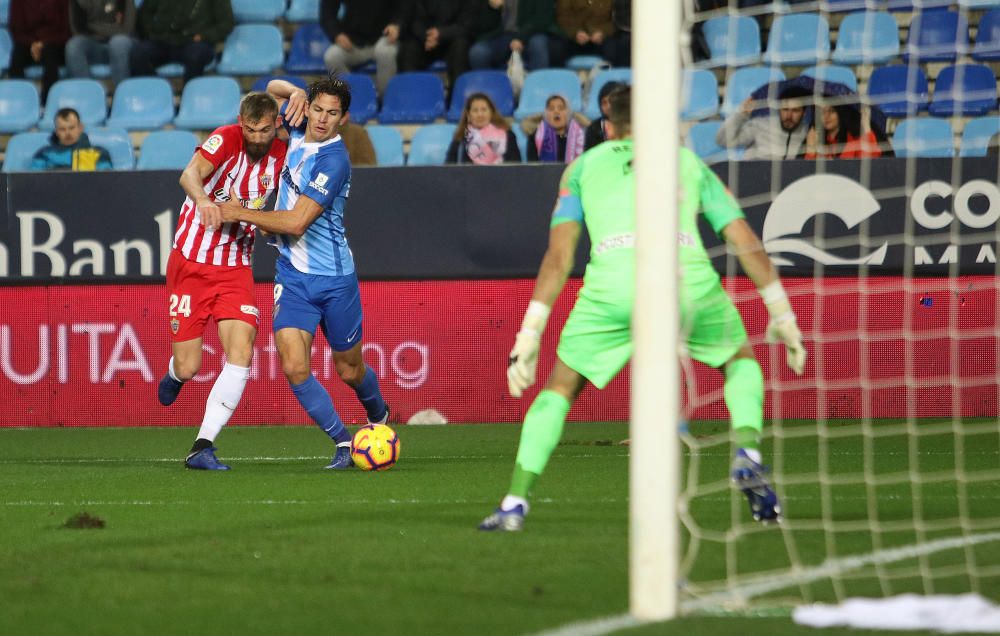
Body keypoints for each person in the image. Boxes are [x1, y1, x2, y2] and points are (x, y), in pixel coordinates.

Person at [478, 86, 806, 532]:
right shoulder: (687, 163)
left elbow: (559, 258)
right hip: (683, 275)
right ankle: (747, 454)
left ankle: (514, 503)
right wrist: (782, 315)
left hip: (615, 283)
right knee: (740, 361)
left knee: (560, 388)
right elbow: (744, 241)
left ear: (608, 126)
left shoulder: (581, 167)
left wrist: (530, 332)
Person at [219, 76, 390, 470]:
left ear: (343, 118)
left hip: (335, 279)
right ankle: (344, 443)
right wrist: (293, 91)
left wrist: (239, 211)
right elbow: (269, 87)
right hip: (293, 276)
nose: (323, 119)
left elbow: (296, 223)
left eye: (333, 113)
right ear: (308, 108)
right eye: (317, 109)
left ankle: (378, 416)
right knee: (294, 366)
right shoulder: (296, 124)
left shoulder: (334, 160)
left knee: (349, 369)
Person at [157, 92, 288, 471]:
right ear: (240, 122)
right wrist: (203, 200)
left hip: (235, 267)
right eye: (250, 129)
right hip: (191, 265)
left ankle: (202, 445)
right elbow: (189, 174)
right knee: (189, 366)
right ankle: (174, 374)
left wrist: (265, 225)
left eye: (264, 130)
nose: (256, 137)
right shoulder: (227, 138)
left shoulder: (283, 154)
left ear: (275, 124)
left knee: (242, 352)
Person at [129, 0, 233, 83]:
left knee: (195, 55)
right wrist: (150, 33)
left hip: (195, 42)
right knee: (138, 54)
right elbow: (144, 15)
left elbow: (226, 24)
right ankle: (159, 93)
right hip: (163, 41)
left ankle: (189, 97)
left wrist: (204, 36)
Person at [321, 0, 406, 95]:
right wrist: (337, 34)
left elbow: (404, 7)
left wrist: (397, 25)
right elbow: (327, 14)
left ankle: (386, 100)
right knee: (332, 57)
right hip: (353, 40)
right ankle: (353, 97)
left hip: (385, 36)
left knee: (386, 52)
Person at [715, 87, 810, 160]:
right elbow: (723, 141)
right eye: (785, 109)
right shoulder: (760, 125)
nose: (789, 116)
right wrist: (741, 114)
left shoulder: (808, 133)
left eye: (795, 111)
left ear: (804, 113)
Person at [398, 0, 474, 89]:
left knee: (460, 47)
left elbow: (467, 25)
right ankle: (411, 96)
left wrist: (441, 34)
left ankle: (457, 97)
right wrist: (428, 37)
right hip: (425, 39)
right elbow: (414, 19)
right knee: (408, 49)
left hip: (452, 39)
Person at [468, 0, 558, 72]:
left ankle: (538, 88)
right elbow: (484, 27)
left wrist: (520, 38)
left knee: (538, 44)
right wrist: (494, 9)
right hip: (502, 36)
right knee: (478, 53)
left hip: (531, 34)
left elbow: (542, 19)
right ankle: (488, 91)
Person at [8, 0, 70, 103]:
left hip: (55, 43)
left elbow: (66, 31)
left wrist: (43, 43)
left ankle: (47, 102)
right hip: (28, 43)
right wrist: (32, 44)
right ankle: (19, 100)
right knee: (17, 56)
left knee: (49, 54)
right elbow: (16, 30)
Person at [66, 0, 136, 87]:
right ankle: (86, 94)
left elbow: (127, 29)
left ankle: (123, 93)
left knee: (118, 43)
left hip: (121, 43)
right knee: (74, 45)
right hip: (93, 43)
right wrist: (109, 27)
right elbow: (77, 29)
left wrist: (95, 28)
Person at [446, 92, 521, 164]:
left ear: (491, 113)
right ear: (468, 115)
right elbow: (449, 169)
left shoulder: (508, 135)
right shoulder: (460, 139)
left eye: (484, 110)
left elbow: (516, 167)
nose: (480, 114)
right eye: (475, 110)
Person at [551, 0, 627, 68]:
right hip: (572, 38)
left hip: (601, 38)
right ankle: (560, 79)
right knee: (557, 46)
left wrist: (603, 32)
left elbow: (615, 21)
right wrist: (575, 33)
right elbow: (562, 17)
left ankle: (612, 79)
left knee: (614, 46)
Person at [31, 107, 112, 171]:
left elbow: (105, 182)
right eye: (62, 129)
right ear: (56, 131)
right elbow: (35, 182)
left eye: (72, 128)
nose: (68, 133)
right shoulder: (44, 154)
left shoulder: (99, 153)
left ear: (80, 128)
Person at [522, 94, 588, 163]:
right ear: (546, 114)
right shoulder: (536, 137)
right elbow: (532, 168)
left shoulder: (579, 137)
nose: (556, 111)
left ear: (568, 113)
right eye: (551, 109)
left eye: (561, 108)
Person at [803, 104, 883, 160]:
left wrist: (866, 130)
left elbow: (870, 165)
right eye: (821, 112)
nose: (826, 116)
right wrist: (810, 151)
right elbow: (807, 176)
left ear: (841, 112)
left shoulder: (854, 138)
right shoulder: (814, 137)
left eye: (832, 111)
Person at [583, 80, 625, 151]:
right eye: (604, 103)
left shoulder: (629, 125)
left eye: (611, 101)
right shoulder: (594, 129)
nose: (608, 106)